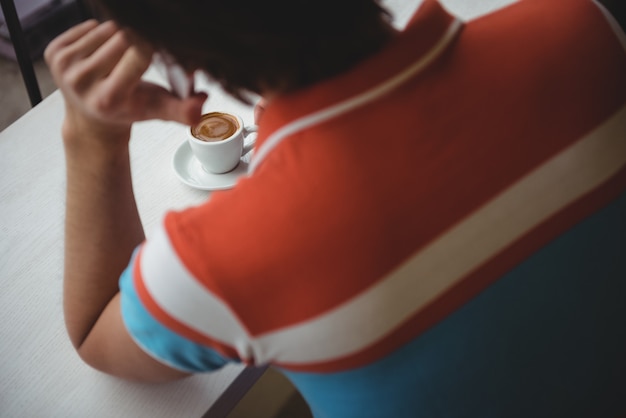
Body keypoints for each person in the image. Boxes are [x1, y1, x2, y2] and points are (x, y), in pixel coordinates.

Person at [44, 0, 626, 416]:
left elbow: (98, 332)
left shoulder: (224, 255)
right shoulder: (585, 28)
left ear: (177, 55)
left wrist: (91, 141)